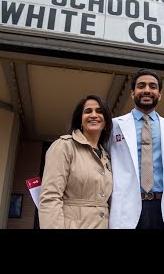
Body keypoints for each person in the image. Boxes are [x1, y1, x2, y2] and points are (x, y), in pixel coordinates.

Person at [108, 68, 164, 229]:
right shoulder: (114, 126)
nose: (147, 90)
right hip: (126, 206)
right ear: (133, 93)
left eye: (152, 86)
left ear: (160, 94)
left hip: (163, 208)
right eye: (141, 86)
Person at [39, 94, 113, 229]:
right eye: (88, 111)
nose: (94, 115)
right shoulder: (64, 146)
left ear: (106, 121)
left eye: (99, 111)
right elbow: (50, 197)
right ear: (80, 119)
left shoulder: (107, 156)